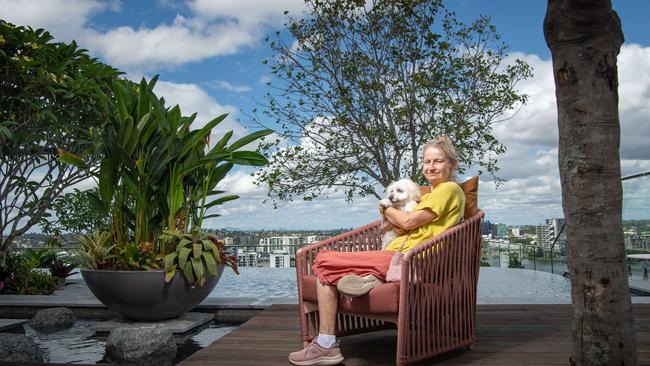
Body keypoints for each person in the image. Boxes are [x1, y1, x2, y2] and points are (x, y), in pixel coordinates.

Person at [288, 136, 466, 366]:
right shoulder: (428, 196)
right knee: (328, 271)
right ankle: (370, 282)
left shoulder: (449, 189)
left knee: (323, 260)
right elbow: (390, 226)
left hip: (407, 261)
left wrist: (385, 207)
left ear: (451, 165)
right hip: (395, 256)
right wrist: (394, 215)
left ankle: (326, 344)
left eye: (438, 161)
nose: (430, 167)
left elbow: (409, 221)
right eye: (426, 161)